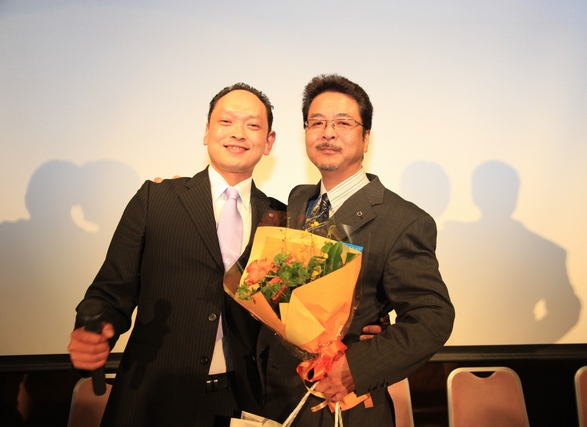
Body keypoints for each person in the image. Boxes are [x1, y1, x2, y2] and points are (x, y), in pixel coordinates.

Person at [67, 83, 286, 427]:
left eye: (253, 125)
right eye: (226, 121)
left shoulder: (282, 220)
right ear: (207, 132)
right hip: (151, 394)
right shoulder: (156, 199)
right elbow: (110, 292)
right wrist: (92, 328)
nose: (238, 133)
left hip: (240, 402)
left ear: (268, 142)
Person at [258, 74, 455, 426]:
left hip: (342, 406)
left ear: (366, 138)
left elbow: (432, 318)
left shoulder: (403, 220)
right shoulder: (298, 200)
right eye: (317, 123)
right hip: (275, 401)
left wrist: (357, 367)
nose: (328, 133)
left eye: (343, 123)